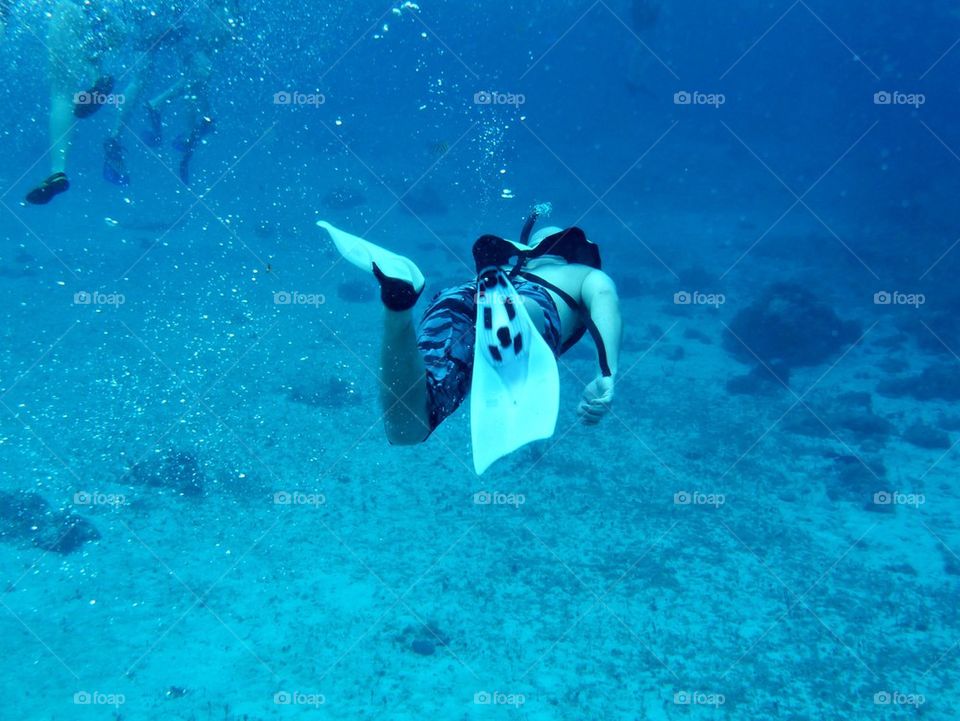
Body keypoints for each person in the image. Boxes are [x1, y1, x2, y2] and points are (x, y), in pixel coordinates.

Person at [318, 208, 622, 473]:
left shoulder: (515, 263)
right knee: (531, 317)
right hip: (532, 301)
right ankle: (516, 312)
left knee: (407, 428)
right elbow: (604, 298)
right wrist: (607, 372)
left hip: (460, 295)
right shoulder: (582, 274)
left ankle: (398, 308)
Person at [103, 0, 239, 186]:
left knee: (140, 79)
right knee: (198, 68)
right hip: (166, 11)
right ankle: (191, 124)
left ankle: (115, 139)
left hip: (142, 11)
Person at [24, 0, 118, 205]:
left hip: (67, 9)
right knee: (92, 48)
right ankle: (97, 77)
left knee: (61, 95)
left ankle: (58, 170)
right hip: (102, 15)